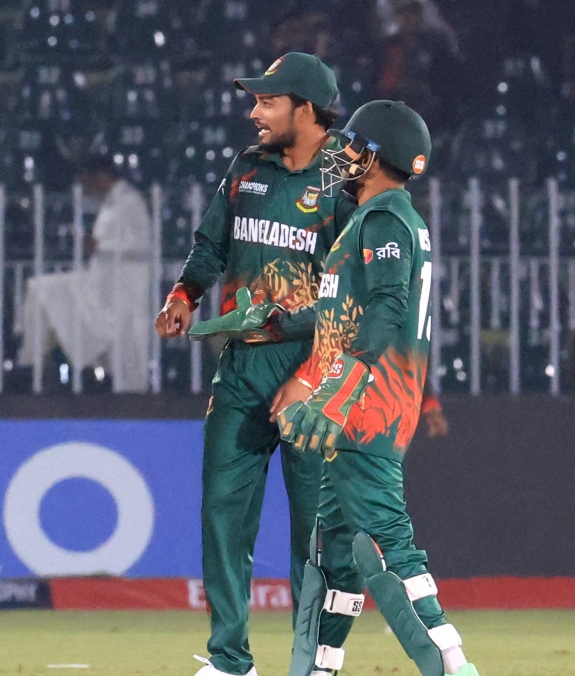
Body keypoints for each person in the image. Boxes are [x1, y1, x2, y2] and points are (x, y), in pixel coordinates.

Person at [154, 52, 352, 676]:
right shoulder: (247, 168)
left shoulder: (349, 181)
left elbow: (358, 287)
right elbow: (211, 245)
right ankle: (229, 660)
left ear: (306, 109)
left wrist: (299, 334)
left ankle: (311, 661)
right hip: (241, 369)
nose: (254, 112)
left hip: (314, 372)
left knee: (311, 536)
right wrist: (183, 295)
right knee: (222, 515)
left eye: (268, 102)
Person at [276, 100, 478, 676]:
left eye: (355, 146)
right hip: (366, 401)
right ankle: (314, 668)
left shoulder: (386, 217)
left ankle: (453, 668)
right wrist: (271, 321)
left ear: (378, 155)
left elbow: (387, 309)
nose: (344, 155)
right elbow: (345, 310)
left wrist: (339, 391)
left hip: (368, 407)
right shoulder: (373, 219)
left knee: (384, 544)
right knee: (333, 556)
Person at [18, 154, 154, 392]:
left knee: (44, 291)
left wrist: (97, 246)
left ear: (101, 177)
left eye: (87, 182)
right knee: (40, 292)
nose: (86, 190)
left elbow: (141, 246)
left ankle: (33, 364)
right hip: (99, 284)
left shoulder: (130, 202)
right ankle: (34, 363)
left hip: (119, 291)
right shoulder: (111, 204)